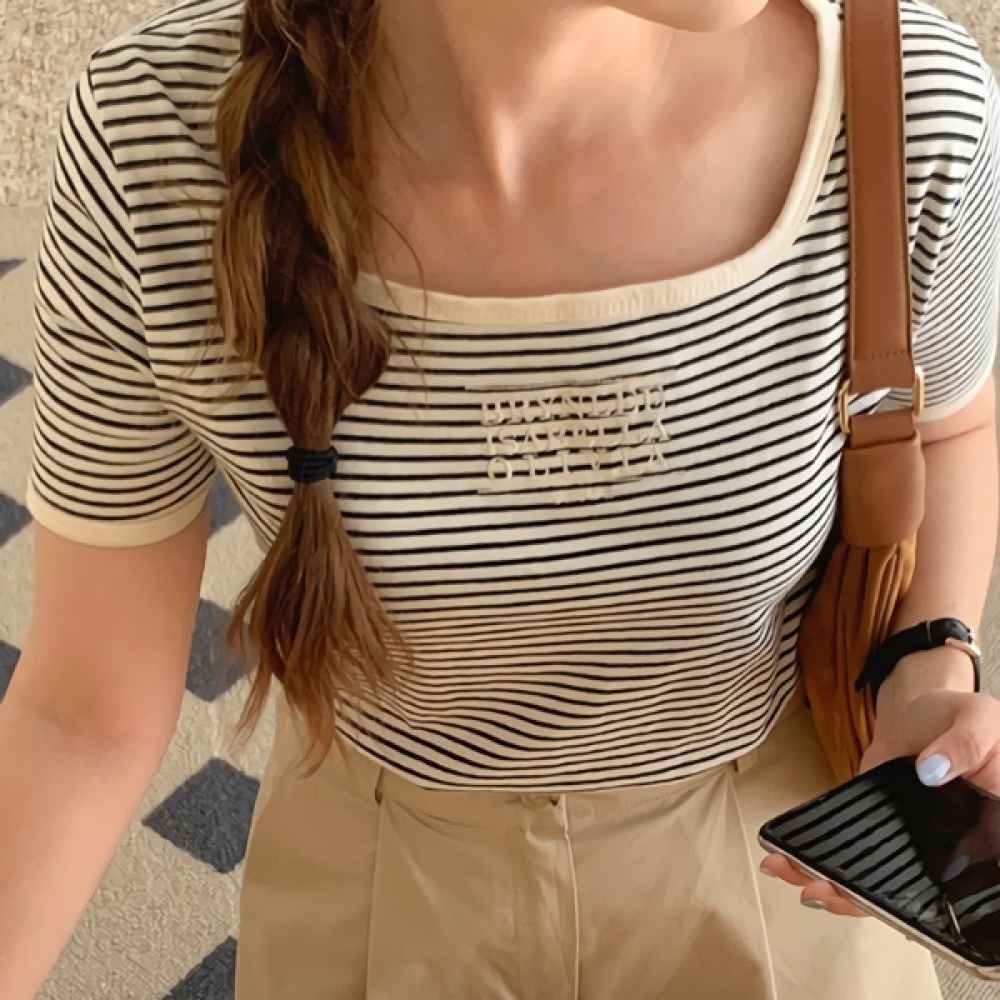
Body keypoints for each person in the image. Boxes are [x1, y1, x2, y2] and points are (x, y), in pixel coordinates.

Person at [1, 0, 998, 995]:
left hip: (785, 865)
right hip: (379, 866)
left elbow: (949, 424)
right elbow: (80, 713)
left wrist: (928, 659)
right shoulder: (153, 145)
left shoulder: (905, 105)